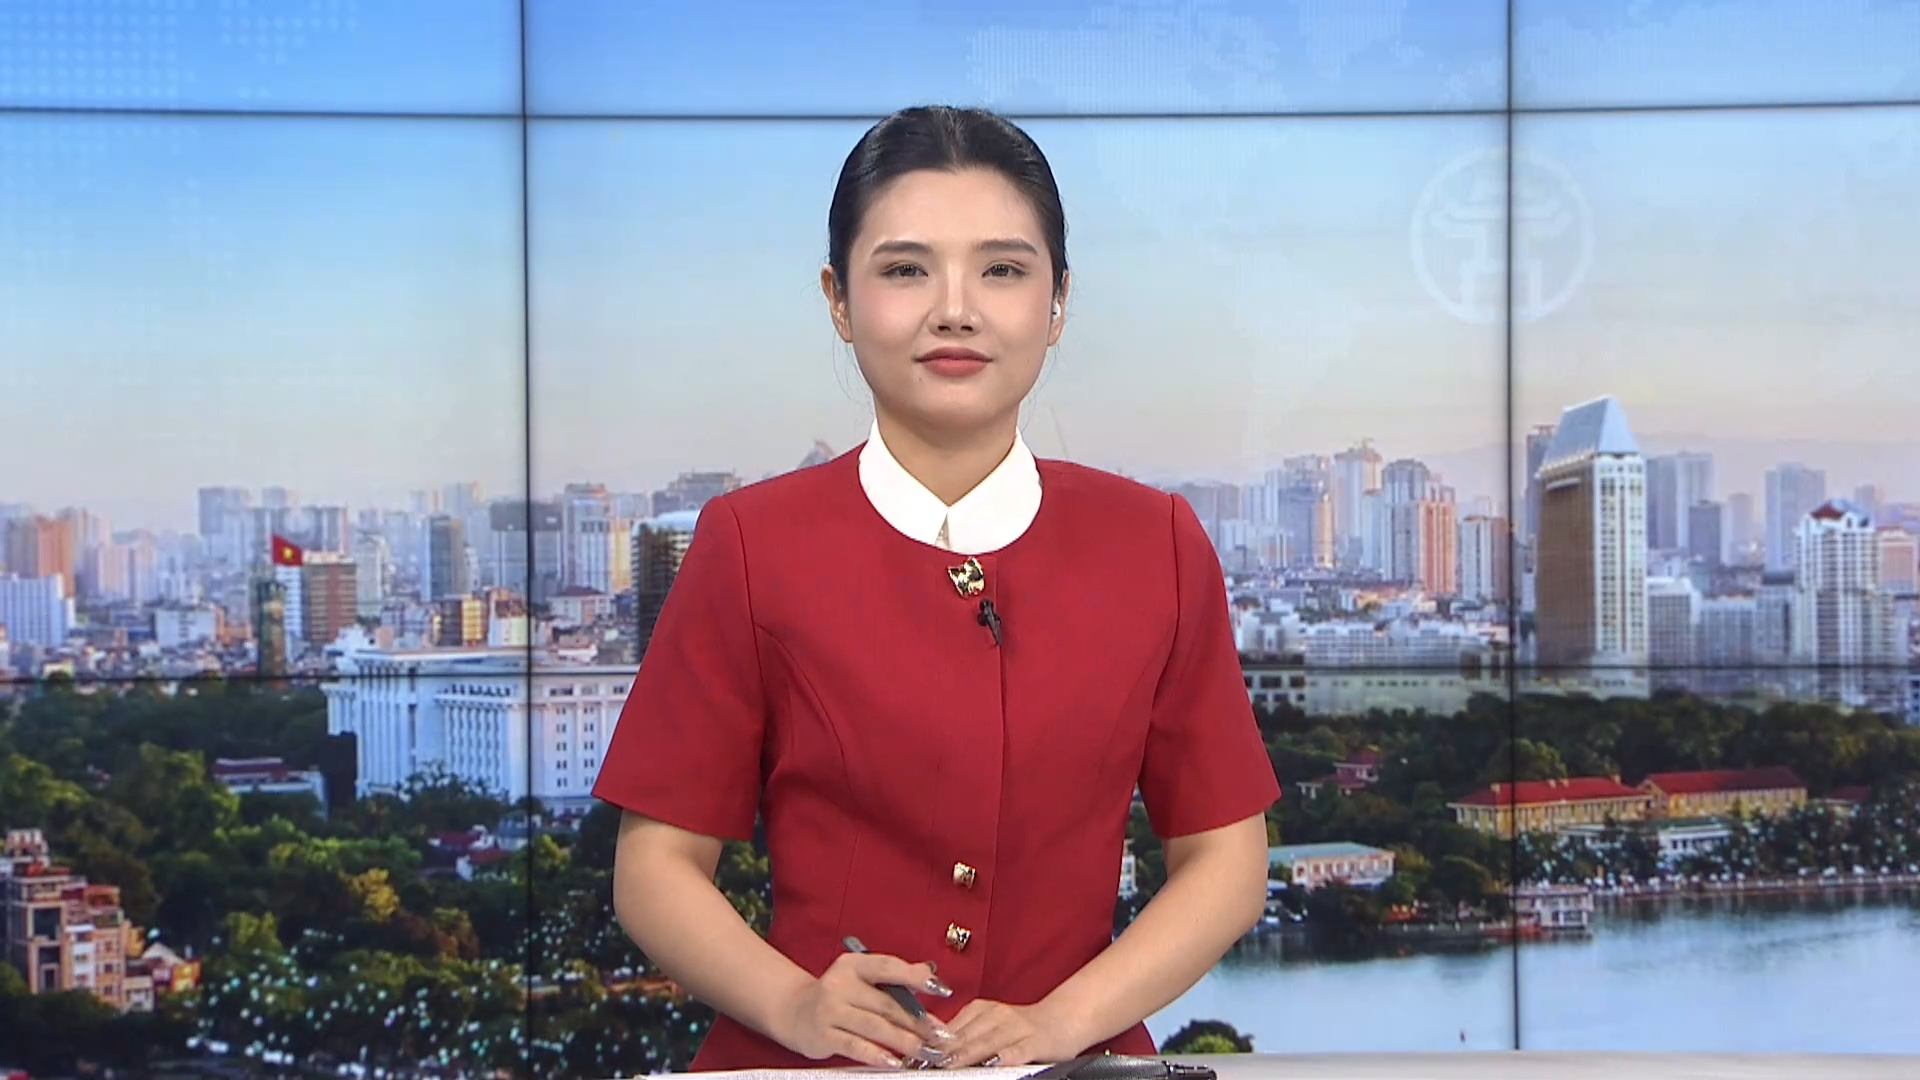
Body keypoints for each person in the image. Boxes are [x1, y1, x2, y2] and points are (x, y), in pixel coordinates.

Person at [594, 104, 1279, 1072]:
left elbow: (1227, 863)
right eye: (905, 269)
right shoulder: (749, 543)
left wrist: (1062, 1021)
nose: (955, 310)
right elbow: (654, 868)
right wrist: (796, 1005)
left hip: (1072, 1061)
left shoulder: (1154, 543)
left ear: (1058, 301)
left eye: (1002, 270)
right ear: (838, 299)